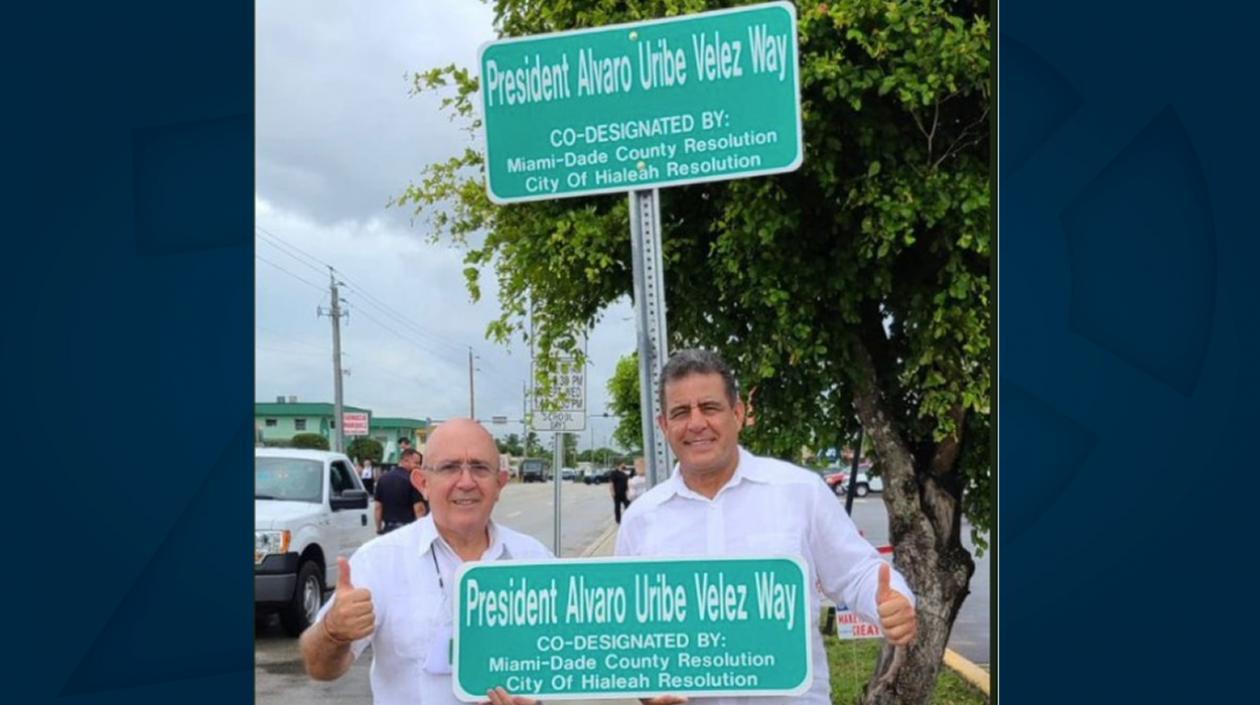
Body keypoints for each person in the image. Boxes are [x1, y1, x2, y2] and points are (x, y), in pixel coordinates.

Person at [616, 348, 918, 705]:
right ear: (664, 425)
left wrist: (894, 599)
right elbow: (630, 640)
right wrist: (650, 695)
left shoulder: (799, 491)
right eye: (680, 412)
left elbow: (858, 573)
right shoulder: (641, 519)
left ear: (738, 413)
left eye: (709, 408)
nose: (696, 423)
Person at [300, 418, 548, 705]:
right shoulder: (380, 561)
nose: (466, 482)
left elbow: (564, 667)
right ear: (422, 483)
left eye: (479, 468)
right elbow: (319, 668)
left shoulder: (535, 560)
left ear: (499, 484)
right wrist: (333, 632)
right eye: (449, 467)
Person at [374, 449, 427, 534]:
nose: (419, 467)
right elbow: (419, 509)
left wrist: (379, 528)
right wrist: (422, 531)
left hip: (389, 530)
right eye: (416, 463)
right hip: (409, 529)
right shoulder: (413, 480)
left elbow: (378, 507)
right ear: (405, 461)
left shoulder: (383, 479)